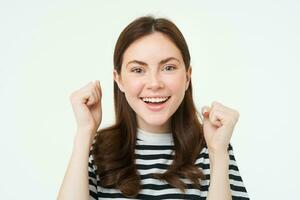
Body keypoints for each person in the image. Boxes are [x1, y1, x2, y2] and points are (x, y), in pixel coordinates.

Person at [57, 16, 249, 200]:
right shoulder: (96, 149)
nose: (154, 83)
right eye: (138, 70)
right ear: (119, 80)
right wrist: (84, 133)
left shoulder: (214, 147)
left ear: (188, 76)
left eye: (168, 68)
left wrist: (218, 153)